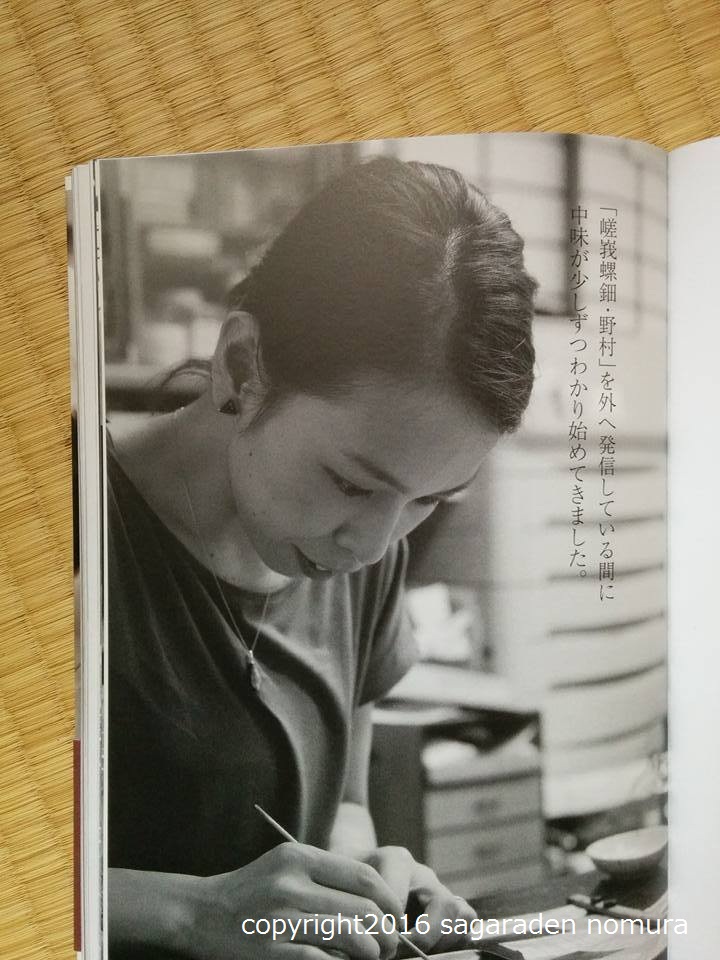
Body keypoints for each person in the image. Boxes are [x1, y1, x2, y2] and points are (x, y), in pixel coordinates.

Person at [106, 155, 537, 959]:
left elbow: (343, 805)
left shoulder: (364, 548)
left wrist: (368, 880)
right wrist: (191, 914)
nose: (373, 544)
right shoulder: (56, 524)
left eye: (432, 499)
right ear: (243, 367)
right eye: (350, 483)